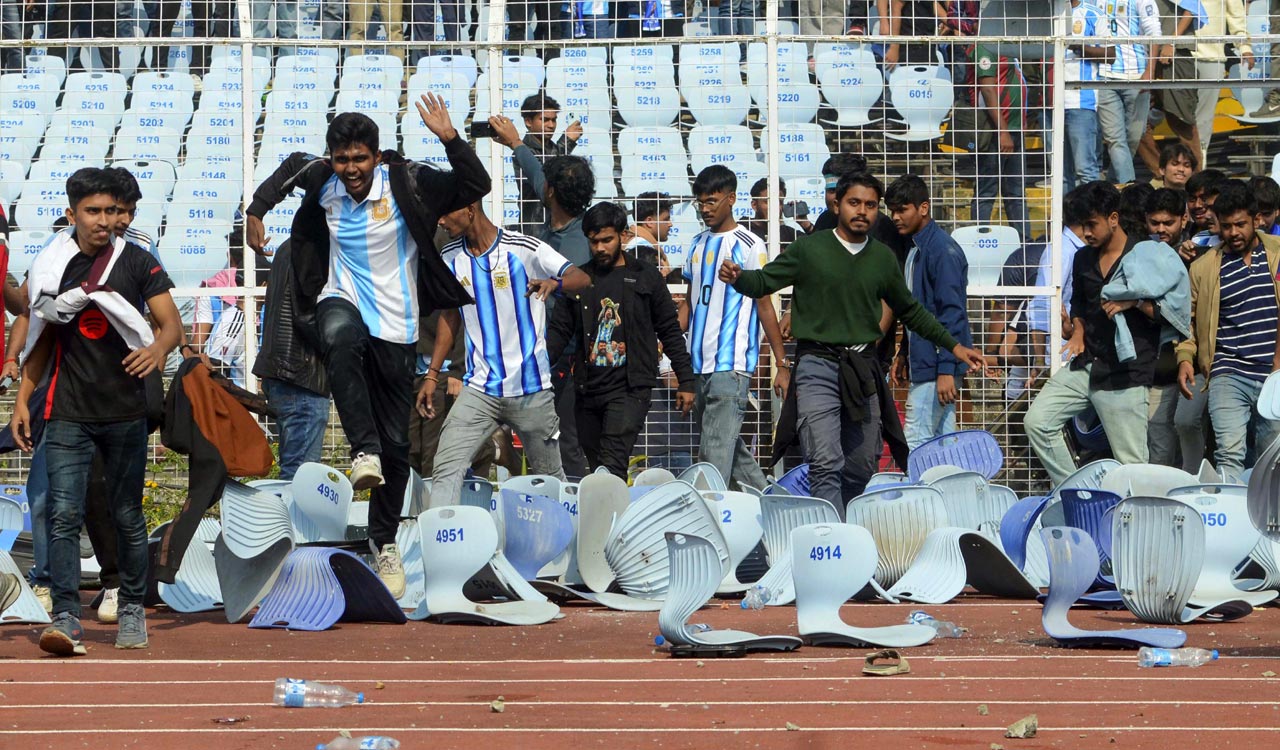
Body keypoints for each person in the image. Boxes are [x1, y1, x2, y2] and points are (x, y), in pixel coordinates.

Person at [244, 95, 489, 598]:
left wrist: (450, 138)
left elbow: (475, 185)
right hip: (341, 295)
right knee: (337, 336)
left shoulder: (407, 181)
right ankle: (362, 451)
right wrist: (256, 211)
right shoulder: (323, 180)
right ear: (331, 158)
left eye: (360, 159)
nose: (351, 169)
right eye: (342, 159)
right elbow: (290, 168)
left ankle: (384, 542)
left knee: (397, 447)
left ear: (377, 156)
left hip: (397, 323)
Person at [720, 171, 989, 513]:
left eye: (871, 205)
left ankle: (848, 523)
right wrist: (739, 278)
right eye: (854, 203)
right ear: (837, 205)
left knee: (862, 465)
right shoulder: (809, 249)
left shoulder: (882, 258)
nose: (862, 211)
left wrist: (954, 346)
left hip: (863, 369)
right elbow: (763, 282)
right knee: (825, 461)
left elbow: (911, 310)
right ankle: (834, 536)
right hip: (817, 366)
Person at [10, 167, 182, 655]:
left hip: (126, 410)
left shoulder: (138, 261)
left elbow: (170, 325)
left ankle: (130, 607)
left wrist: (158, 350)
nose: (103, 220)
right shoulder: (51, 268)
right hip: (68, 411)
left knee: (126, 514)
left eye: (111, 210)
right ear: (72, 214)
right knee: (63, 513)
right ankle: (66, 617)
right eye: (92, 211)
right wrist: (23, 399)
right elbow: (41, 339)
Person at [419, 200, 591, 506]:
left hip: (531, 390)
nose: (441, 221)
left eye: (445, 212)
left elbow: (582, 278)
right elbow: (450, 315)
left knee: (550, 478)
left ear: (470, 208)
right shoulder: (450, 256)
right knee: (446, 467)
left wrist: (555, 282)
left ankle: (566, 533)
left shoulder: (524, 248)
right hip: (480, 389)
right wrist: (432, 375)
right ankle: (443, 532)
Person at [1023, 181, 1165, 486]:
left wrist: (1135, 302)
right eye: (1081, 225)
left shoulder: (1145, 254)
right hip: (1086, 362)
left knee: (1131, 466)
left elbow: (1168, 311)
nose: (1086, 233)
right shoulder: (1082, 258)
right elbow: (1079, 305)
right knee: (1037, 422)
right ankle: (1075, 491)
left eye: (1091, 224)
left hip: (1126, 372)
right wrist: (1075, 330)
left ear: (1113, 218)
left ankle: (1136, 513)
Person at [547, 202, 695, 478]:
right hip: (587, 389)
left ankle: (609, 505)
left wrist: (686, 381)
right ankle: (612, 503)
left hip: (630, 388)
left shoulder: (645, 276)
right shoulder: (581, 279)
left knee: (612, 463)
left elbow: (669, 330)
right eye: (594, 242)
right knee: (599, 467)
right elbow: (558, 333)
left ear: (623, 236)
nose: (600, 248)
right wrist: (534, 370)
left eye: (607, 240)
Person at [491, 114, 595, 478]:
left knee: (564, 440)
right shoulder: (560, 217)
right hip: (540, 350)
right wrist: (516, 143)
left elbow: (582, 290)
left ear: (550, 192)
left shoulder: (580, 245)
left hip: (566, 356)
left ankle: (573, 497)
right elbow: (538, 174)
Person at [679, 165, 789, 491]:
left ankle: (707, 516)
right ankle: (774, 503)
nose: (705, 208)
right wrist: (667, 344)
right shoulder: (696, 244)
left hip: (731, 366)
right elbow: (689, 302)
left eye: (712, 201)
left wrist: (782, 363)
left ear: (731, 199)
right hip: (697, 366)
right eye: (701, 202)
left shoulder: (750, 245)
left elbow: (765, 304)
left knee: (712, 458)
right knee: (729, 448)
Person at [1177, 181, 1280, 479]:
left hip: (1273, 374)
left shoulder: (1277, 253)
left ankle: (1266, 510)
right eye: (1226, 226)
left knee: (1271, 457)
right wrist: (1185, 358)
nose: (1233, 233)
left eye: (1240, 224)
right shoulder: (1204, 267)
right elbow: (1188, 322)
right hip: (1228, 373)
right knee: (1229, 453)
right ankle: (1229, 506)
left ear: (1256, 220)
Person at [885, 175, 975, 449]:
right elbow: (916, 311)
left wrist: (945, 370)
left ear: (923, 208)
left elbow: (952, 314)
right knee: (942, 443)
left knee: (916, 441)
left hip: (937, 366)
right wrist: (905, 352)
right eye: (892, 211)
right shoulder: (917, 247)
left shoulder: (942, 251)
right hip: (928, 361)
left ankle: (917, 483)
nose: (896, 217)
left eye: (902, 210)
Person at [253, 239, 331, 482]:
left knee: (295, 471)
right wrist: (339, 350)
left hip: (288, 372)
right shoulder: (314, 247)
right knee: (300, 476)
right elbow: (307, 316)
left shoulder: (290, 246)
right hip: (301, 374)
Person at [1145, 188, 1193, 467]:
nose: (1161, 229)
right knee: (1159, 450)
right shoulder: (1139, 256)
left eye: (1168, 223)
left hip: (1191, 368)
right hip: (1155, 372)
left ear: (1183, 220)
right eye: (1155, 222)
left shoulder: (1197, 256)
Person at [1096, 0, 1161, 186]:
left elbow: (1154, 32)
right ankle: (1128, 189)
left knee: (1133, 137)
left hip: (1137, 75)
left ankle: (1114, 185)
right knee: (1115, 139)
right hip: (1103, 75)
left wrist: (1150, 70)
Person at [974, 39, 1030, 244]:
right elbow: (988, 90)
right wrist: (1003, 131)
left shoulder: (1008, 46)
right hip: (995, 131)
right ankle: (980, 241)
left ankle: (1024, 244)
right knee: (987, 190)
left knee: (1016, 192)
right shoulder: (987, 46)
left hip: (1014, 129)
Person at [1193, 0, 1253, 156]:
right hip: (1175, 55)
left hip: (1212, 57)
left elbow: (1236, 18)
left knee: (1203, 119)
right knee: (1175, 115)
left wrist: (1245, 47)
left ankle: (1198, 164)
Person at [514, 94, 582, 232]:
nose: (551, 125)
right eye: (545, 120)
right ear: (528, 121)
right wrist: (566, 142)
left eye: (554, 120)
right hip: (535, 227)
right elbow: (545, 176)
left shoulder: (552, 148)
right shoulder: (523, 151)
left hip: (556, 224)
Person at [1064, 0, 1107, 190]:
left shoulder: (1093, 14)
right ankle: (1065, 210)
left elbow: (1110, 54)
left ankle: (1092, 209)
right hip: (1049, 103)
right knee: (1060, 172)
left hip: (1080, 101)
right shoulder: (1045, 13)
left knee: (1085, 169)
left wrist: (1077, 47)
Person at [742, 177, 803, 251]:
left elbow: (814, 248)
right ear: (754, 205)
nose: (776, 207)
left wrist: (805, 224)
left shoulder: (787, 233)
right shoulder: (742, 230)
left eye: (780, 202)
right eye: (768, 202)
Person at [625, 191, 674, 274]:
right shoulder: (641, 248)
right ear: (649, 222)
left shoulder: (642, 242)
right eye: (666, 219)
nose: (670, 224)